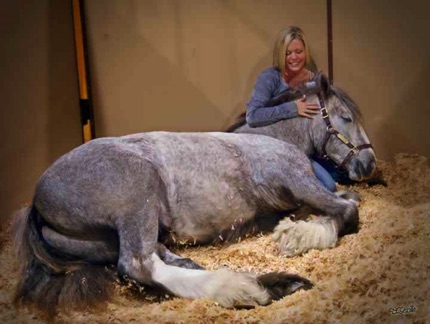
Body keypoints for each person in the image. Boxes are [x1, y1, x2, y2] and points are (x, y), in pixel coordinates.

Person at [246, 26, 341, 192]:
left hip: (306, 150)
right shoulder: (270, 78)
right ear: (280, 55)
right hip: (273, 149)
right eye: (288, 53)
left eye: (298, 51)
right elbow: (253, 116)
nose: (294, 57)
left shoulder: (313, 80)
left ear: (306, 52)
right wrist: (293, 108)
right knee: (327, 186)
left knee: (342, 173)